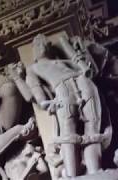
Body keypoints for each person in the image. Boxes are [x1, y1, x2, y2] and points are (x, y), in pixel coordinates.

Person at [25, 34, 103, 177]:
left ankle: (95, 172)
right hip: (62, 90)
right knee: (67, 131)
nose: (41, 45)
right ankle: (71, 175)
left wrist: (81, 51)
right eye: (37, 44)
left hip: (85, 83)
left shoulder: (64, 60)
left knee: (92, 127)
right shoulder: (33, 68)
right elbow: (34, 87)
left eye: (43, 43)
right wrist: (43, 102)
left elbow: (91, 72)